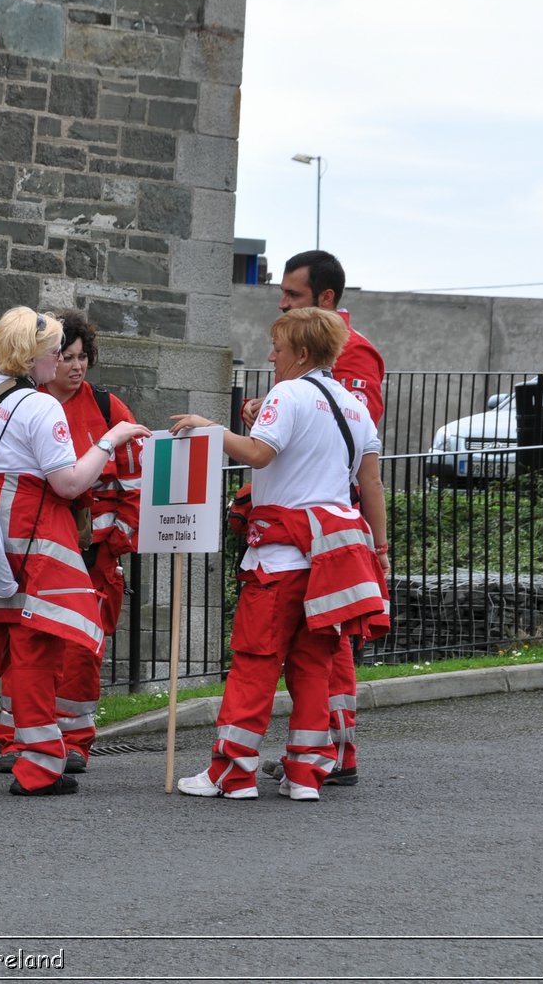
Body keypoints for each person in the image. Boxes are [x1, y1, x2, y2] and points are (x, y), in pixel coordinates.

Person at [0, 307, 150, 796]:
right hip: (30, 532)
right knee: (35, 649)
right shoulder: (43, 407)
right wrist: (109, 440)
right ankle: (38, 766)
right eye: (53, 351)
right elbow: (68, 484)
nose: (58, 360)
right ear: (34, 355)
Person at [173, 307, 389, 801]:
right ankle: (306, 775)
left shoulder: (288, 393)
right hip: (333, 562)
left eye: (278, 347)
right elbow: (370, 483)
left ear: (302, 354)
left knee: (255, 663)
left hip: (278, 559)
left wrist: (207, 427)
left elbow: (259, 454)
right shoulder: (355, 407)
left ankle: (232, 772)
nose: (271, 355)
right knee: (314, 668)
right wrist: (381, 549)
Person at [243, 249, 386, 786]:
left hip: (323, 522)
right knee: (317, 646)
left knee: (325, 645)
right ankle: (320, 753)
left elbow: (349, 443)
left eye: (293, 295)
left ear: (325, 300)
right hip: (310, 517)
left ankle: (337, 751)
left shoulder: (355, 356)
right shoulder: (308, 353)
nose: (280, 303)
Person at [0, 310, 143, 775]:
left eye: (83, 358)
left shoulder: (107, 408)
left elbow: (134, 484)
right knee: (28, 647)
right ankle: (15, 739)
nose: (77, 367)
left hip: (94, 554)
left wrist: (116, 543)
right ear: (46, 359)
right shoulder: (27, 402)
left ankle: (74, 740)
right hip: (38, 548)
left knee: (82, 652)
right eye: (68, 358)